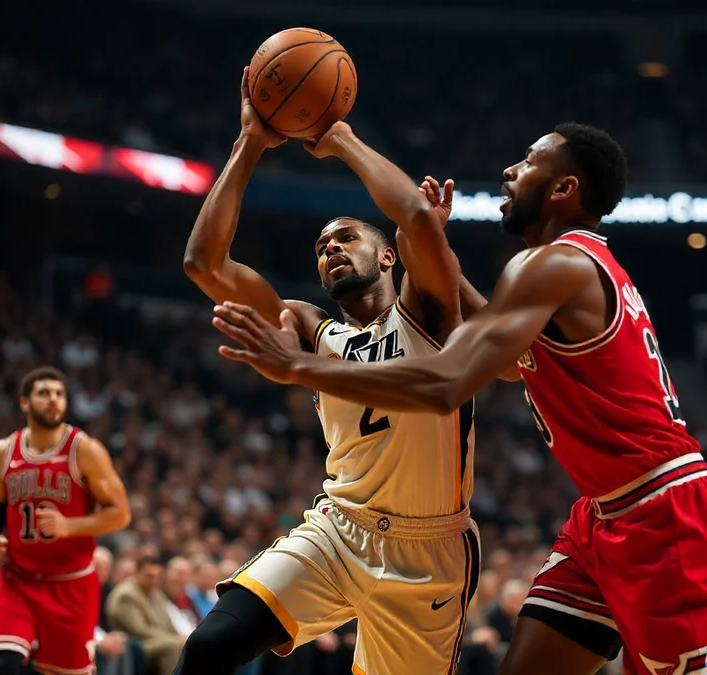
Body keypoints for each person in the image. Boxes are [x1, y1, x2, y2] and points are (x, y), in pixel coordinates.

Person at [211, 123, 707, 675]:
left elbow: (445, 383)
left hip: (664, 512)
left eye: (529, 161)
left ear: (564, 189)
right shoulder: (563, 270)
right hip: (602, 516)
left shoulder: (552, 265)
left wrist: (299, 366)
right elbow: (510, 361)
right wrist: (435, 253)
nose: (510, 170)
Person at [175, 66, 503, 675]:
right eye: (322, 246)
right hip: (338, 528)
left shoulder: (428, 312)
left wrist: (341, 139)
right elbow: (204, 263)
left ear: (386, 256)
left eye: (345, 237)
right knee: (208, 646)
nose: (329, 249)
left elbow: (418, 221)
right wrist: (250, 141)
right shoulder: (309, 328)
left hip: (429, 550)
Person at [0, 366, 132, 675]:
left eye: (59, 394)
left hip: (70, 585)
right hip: (18, 580)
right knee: (3, 664)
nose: (53, 400)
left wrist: (69, 526)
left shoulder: (85, 450)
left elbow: (121, 513)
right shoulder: (2, 451)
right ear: (25, 403)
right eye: (44, 393)